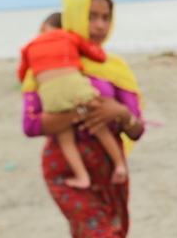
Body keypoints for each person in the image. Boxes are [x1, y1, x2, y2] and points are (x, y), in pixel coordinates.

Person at [22, 0, 154, 238]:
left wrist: (118, 113)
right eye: (92, 16)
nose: (99, 25)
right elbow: (32, 124)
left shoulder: (114, 67)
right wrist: (82, 108)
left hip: (111, 170)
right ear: (75, 18)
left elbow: (136, 129)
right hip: (66, 172)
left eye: (106, 17)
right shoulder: (49, 60)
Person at [18, 12, 128, 189]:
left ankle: (82, 176)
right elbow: (97, 54)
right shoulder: (69, 36)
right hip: (78, 89)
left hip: (51, 95)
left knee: (65, 137)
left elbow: (23, 73)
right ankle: (120, 165)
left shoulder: (28, 46)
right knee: (99, 126)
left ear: (43, 28)